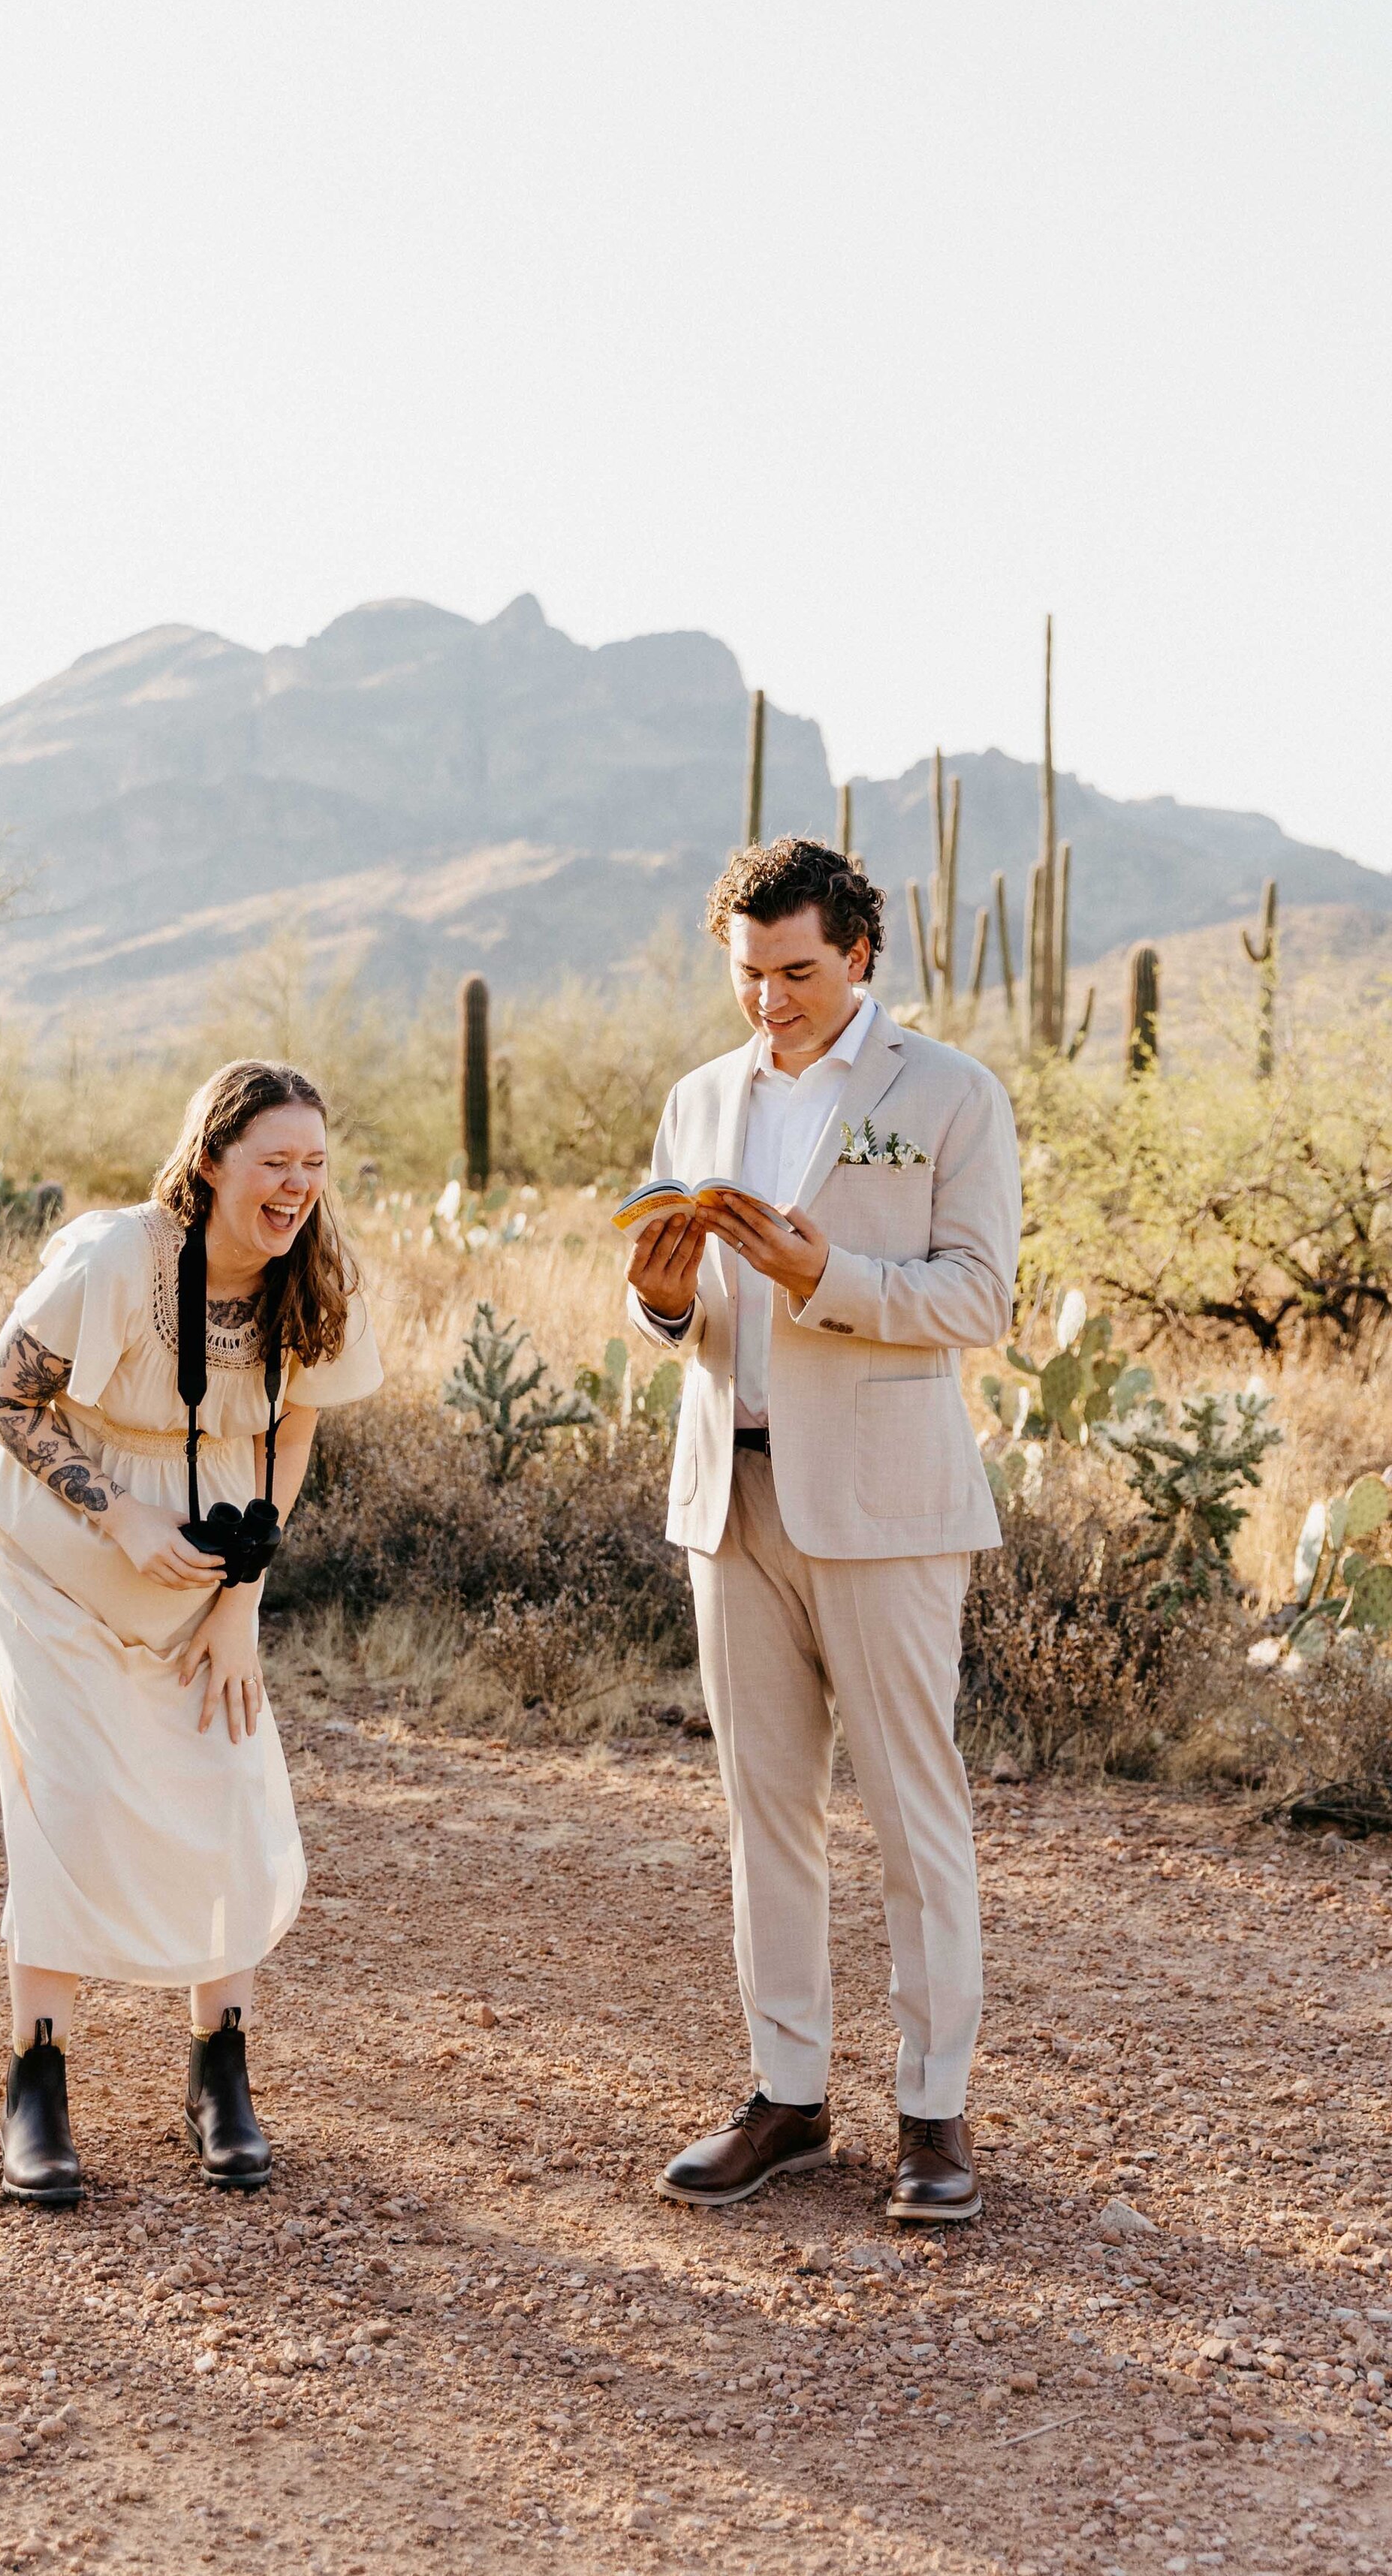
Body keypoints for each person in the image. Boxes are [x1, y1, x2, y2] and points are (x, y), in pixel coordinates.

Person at [626, 838, 1020, 2222]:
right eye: (748, 976)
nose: (770, 1002)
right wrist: (665, 1302)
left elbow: (977, 1297)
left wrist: (824, 1275)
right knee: (763, 1817)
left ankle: (934, 2116)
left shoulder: (952, 1095)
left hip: (889, 1508)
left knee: (918, 1816)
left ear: (860, 955)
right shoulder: (697, 1099)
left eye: (795, 972)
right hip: (727, 1498)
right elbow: (679, 1319)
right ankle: (787, 2098)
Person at [0, 1059, 382, 2204]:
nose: (297, 1188)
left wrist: (241, 1604)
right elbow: (3, 1399)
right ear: (211, 1162)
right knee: (73, 1799)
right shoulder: (115, 1258)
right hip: (51, 1562)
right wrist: (118, 1512)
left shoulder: (320, 1275)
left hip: (204, 1581)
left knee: (227, 1794)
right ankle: (38, 2083)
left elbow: (288, 1441)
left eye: (313, 1165)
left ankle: (220, 2072)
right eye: (273, 1164)